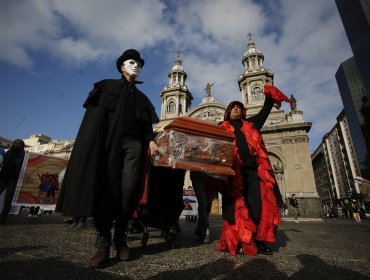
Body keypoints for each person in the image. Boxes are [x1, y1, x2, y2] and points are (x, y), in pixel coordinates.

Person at [56, 49, 159, 268]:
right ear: (122, 67)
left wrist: (150, 141)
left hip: (133, 145)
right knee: (106, 188)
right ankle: (102, 244)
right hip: (108, 142)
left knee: (129, 188)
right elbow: (93, 121)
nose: (136, 66)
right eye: (131, 62)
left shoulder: (142, 98)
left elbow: (145, 126)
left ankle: (120, 238)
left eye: (139, 64)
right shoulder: (106, 87)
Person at [216, 85, 289, 256]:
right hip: (234, 174)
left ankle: (259, 240)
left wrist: (270, 98)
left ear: (243, 111)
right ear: (228, 111)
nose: (236, 109)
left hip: (254, 172)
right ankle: (240, 241)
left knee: (257, 206)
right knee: (237, 209)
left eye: (239, 107)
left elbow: (264, 112)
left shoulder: (251, 124)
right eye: (233, 107)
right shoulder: (221, 127)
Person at [0, 139, 26, 224]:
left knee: (8, 199)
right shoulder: (8, 152)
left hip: (13, 179)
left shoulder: (23, 154)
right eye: (15, 143)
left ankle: (3, 218)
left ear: (22, 145)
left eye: (19, 143)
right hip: (3, 177)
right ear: (13, 144)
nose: (17, 145)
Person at [190, 171, 213, 244]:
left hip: (211, 177)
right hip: (197, 176)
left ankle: (200, 229)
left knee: (208, 205)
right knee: (203, 203)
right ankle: (206, 231)